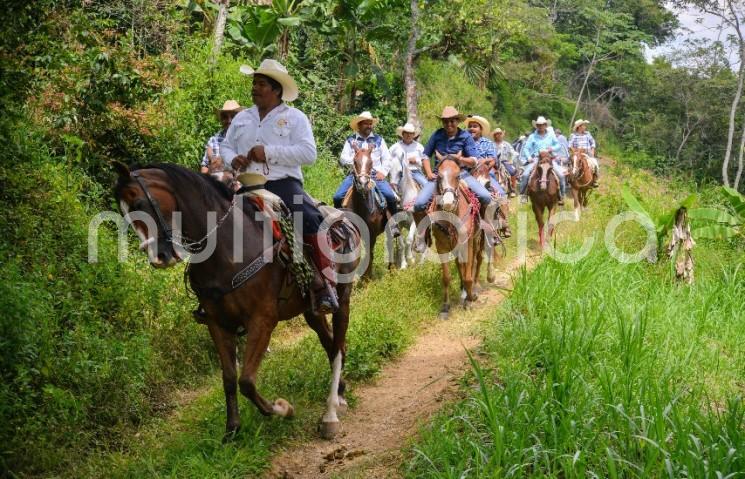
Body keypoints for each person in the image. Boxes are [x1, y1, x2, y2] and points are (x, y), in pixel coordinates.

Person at [221, 59, 338, 314]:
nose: (254, 88)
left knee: (310, 219)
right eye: (254, 83)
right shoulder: (242, 118)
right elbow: (226, 145)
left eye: (260, 84)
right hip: (246, 185)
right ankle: (217, 295)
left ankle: (324, 287)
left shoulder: (295, 118)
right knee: (216, 222)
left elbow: (309, 153)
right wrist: (233, 158)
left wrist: (269, 152)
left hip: (283, 184)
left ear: (276, 90)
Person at [413, 106, 492, 212]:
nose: (449, 124)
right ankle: (425, 227)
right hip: (439, 176)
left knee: (485, 196)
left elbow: (474, 160)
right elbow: (425, 156)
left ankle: (481, 224)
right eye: (445, 121)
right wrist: (428, 173)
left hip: (461, 174)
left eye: (452, 121)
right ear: (442, 122)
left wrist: (461, 159)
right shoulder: (437, 135)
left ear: (457, 121)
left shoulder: (465, 136)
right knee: (419, 204)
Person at [332, 111, 399, 235]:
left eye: (370, 123)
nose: (369, 126)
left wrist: (383, 172)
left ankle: (393, 224)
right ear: (359, 125)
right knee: (337, 196)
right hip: (356, 175)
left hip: (375, 175)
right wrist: (355, 160)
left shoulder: (379, 140)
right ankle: (338, 225)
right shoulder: (351, 140)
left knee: (389, 196)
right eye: (366, 123)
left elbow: (387, 158)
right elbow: (343, 157)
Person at [518, 116, 567, 205]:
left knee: (561, 175)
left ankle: (561, 196)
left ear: (545, 125)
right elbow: (526, 148)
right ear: (536, 126)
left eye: (542, 125)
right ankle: (523, 196)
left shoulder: (551, 135)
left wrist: (551, 149)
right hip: (537, 158)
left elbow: (558, 145)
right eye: (538, 125)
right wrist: (529, 157)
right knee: (525, 175)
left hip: (549, 159)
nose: (540, 126)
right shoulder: (532, 136)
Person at [465, 115, 506, 198]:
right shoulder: (463, 142)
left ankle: (521, 195)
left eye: (475, 126)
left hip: (485, 170)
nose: (471, 128)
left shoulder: (488, 143)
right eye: (470, 127)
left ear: (481, 130)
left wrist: (484, 164)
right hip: (467, 171)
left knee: (501, 194)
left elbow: (493, 159)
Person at [200, 100, 241, 183]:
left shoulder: (246, 139)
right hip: (216, 188)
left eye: (233, 117)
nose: (229, 120)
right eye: (225, 117)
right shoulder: (213, 141)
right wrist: (211, 170)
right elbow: (204, 169)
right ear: (221, 120)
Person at [389, 121, 427, 188]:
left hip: (415, 172)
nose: (408, 135)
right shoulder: (394, 147)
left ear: (413, 135)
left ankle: (431, 198)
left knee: (426, 185)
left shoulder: (419, 147)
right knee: (392, 192)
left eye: (410, 133)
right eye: (406, 133)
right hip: (400, 174)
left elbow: (425, 161)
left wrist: (416, 160)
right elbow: (388, 160)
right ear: (402, 134)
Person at [569, 119, 599, 187]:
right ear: (579, 127)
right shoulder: (573, 135)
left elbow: (593, 142)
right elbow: (570, 145)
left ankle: (594, 180)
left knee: (595, 163)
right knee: (571, 165)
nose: (585, 127)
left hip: (587, 153)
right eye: (583, 126)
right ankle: (570, 179)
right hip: (577, 153)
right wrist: (576, 152)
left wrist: (592, 149)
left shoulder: (587, 134)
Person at [492, 127, 518, 197]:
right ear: (495, 135)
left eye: (500, 133)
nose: (499, 135)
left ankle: (513, 188)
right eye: (497, 134)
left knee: (512, 171)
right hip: (493, 162)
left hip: (504, 161)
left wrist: (511, 160)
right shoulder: (491, 144)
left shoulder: (507, 144)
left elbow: (514, 153)